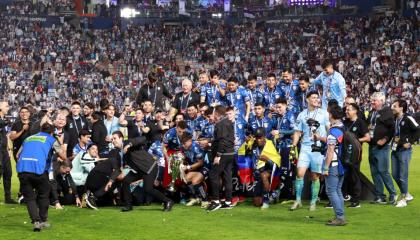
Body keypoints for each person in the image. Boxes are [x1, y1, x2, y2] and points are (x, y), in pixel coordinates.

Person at [16, 123, 67, 231]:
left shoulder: (29, 138)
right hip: (39, 170)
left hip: (23, 170)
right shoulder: (51, 139)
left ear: (40, 129)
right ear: (52, 132)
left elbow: (17, 155)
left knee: (30, 198)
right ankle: (43, 220)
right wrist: (60, 142)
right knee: (44, 194)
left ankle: (36, 222)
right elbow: (63, 156)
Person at [290, 91, 330, 211]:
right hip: (305, 147)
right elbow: (297, 132)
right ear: (307, 99)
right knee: (300, 173)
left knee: (314, 176)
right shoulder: (302, 115)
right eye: (313, 97)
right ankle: (298, 200)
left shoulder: (324, 113)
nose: (316, 99)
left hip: (318, 148)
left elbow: (329, 129)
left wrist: (328, 143)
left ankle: (313, 202)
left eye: (317, 98)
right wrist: (293, 146)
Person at [120, 133, 174, 212]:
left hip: (150, 167)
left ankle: (168, 201)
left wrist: (129, 145)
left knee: (148, 189)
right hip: (139, 170)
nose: (113, 141)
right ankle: (128, 205)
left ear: (121, 138)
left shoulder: (128, 142)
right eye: (112, 139)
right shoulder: (119, 150)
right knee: (125, 181)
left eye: (115, 139)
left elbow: (143, 138)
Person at [368, 92, 397, 204]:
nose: (372, 102)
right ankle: (380, 196)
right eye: (372, 100)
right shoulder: (372, 113)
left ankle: (393, 194)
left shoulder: (387, 112)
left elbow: (392, 128)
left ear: (381, 101)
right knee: (374, 172)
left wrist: (385, 140)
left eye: (374, 100)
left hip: (382, 147)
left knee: (383, 171)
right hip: (372, 145)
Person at [341, 103, 370, 208]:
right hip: (344, 153)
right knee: (344, 175)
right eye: (346, 110)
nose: (346, 111)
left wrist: (355, 141)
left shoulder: (360, 123)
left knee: (354, 176)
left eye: (348, 110)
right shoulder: (346, 122)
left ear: (355, 111)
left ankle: (356, 200)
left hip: (355, 154)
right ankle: (345, 196)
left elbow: (367, 138)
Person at [390, 99, 419, 207]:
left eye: (395, 106)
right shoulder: (395, 119)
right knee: (394, 174)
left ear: (401, 108)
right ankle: (406, 194)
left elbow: (418, 129)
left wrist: (410, 142)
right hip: (395, 149)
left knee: (403, 175)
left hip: (404, 151)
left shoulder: (408, 118)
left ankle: (403, 198)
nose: (393, 108)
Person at [206, 106, 235, 212]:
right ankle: (228, 201)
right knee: (227, 176)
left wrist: (218, 155)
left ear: (217, 114)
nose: (212, 115)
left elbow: (222, 140)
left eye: (213, 113)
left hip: (223, 154)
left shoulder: (221, 123)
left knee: (213, 175)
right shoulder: (228, 122)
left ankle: (216, 201)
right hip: (230, 152)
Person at [323, 104, 347, 226]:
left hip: (333, 165)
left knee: (331, 191)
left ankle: (340, 217)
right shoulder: (342, 127)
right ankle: (340, 215)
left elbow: (330, 151)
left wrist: (326, 167)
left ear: (331, 114)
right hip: (342, 164)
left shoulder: (333, 131)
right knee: (338, 190)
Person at [179, 133, 209, 207]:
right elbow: (185, 158)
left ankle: (205, 200)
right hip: (194, 167)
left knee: (195, 181)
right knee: (186, 178)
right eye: (182, 143)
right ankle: (196, 198)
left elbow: (200, 163)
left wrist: (188, 167)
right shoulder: (183, 147)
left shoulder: (196, 148)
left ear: (190, 141)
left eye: (184, 143)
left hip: (204, 167)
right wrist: (181, 164)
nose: (183, 145)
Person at [0, 101, 16, 204]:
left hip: (4, 150)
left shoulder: (2, 120)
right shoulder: (2, 121)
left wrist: (8, 149)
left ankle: (8, 197)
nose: (8, 107)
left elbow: (5, 136)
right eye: (6, 106)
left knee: (8, 172)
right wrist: (7, 122)